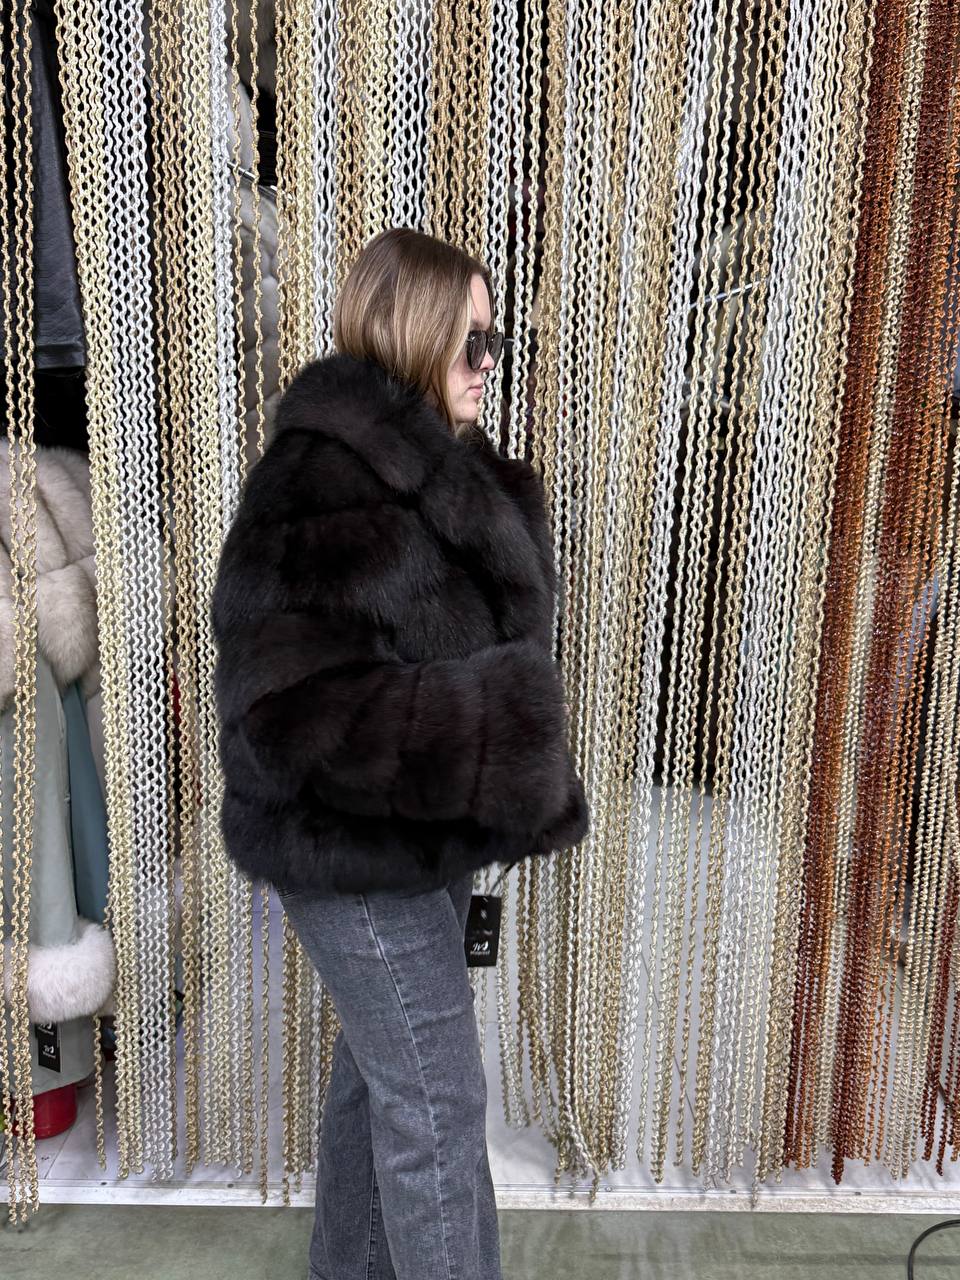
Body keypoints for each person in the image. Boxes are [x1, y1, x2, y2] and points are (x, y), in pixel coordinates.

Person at [211, 226, 589, 1280]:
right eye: (472, 340)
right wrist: (484, 729)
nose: (488, 362)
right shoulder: (320, 480)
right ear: (414, 332)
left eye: (494, 340)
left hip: (418, 841)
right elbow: (281, 712)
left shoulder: (447, 474)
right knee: (436, 1099)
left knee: (381, 1082)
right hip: (344, 848)